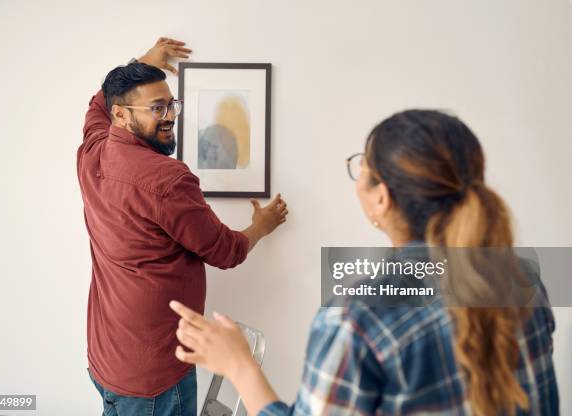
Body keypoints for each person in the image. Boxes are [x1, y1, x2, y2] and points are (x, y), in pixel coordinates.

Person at [170, 110, 559, 415]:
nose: (357, 178)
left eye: (362, 168)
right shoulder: (523, 278)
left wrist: (239, 366)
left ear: (382, 198)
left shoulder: (358, 318)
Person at [77, 37, 288, 416]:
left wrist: (144, 60)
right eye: (157, 107)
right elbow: (227, 252)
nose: (171, 115)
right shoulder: (168, 180)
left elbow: (98, 102)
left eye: (172, 103)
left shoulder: (92, 150)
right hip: (153, 377)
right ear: (121, 115)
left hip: (106, 359)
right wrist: (262, 225)